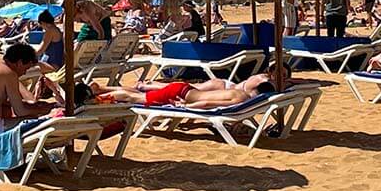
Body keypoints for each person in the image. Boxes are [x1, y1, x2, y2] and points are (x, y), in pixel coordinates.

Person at [86, 73, 277, 109]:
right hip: (180, 94)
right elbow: (209, 103)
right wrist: (187, 106)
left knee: (137, 94)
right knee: (133, 97)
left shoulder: (241, 94)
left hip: (183, 88)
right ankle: (98, 98)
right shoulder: (240, 99)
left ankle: (101, 90)